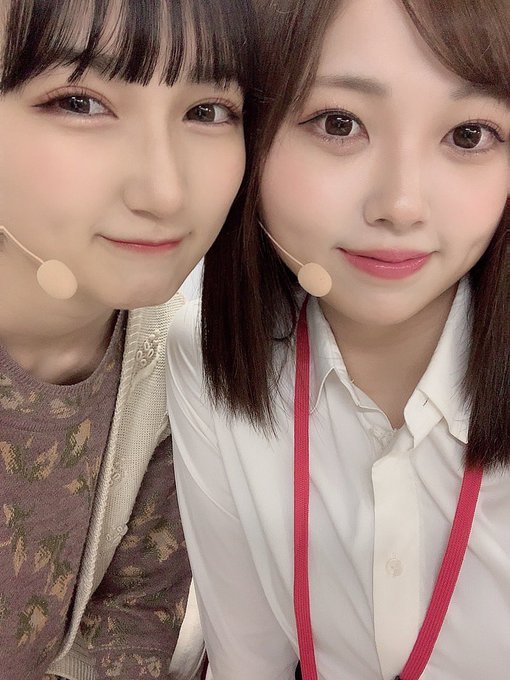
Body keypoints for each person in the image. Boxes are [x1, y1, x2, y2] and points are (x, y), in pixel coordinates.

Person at [166, 0, 510, 678]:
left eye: (469, 134)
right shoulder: (209, 356)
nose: (401, 205)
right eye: (339, 123)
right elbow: (248, 661)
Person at [0, 0, 256, 678]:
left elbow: (130, 625)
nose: (164, 192)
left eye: (208, 111)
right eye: (79, 103)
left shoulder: (173, 363)